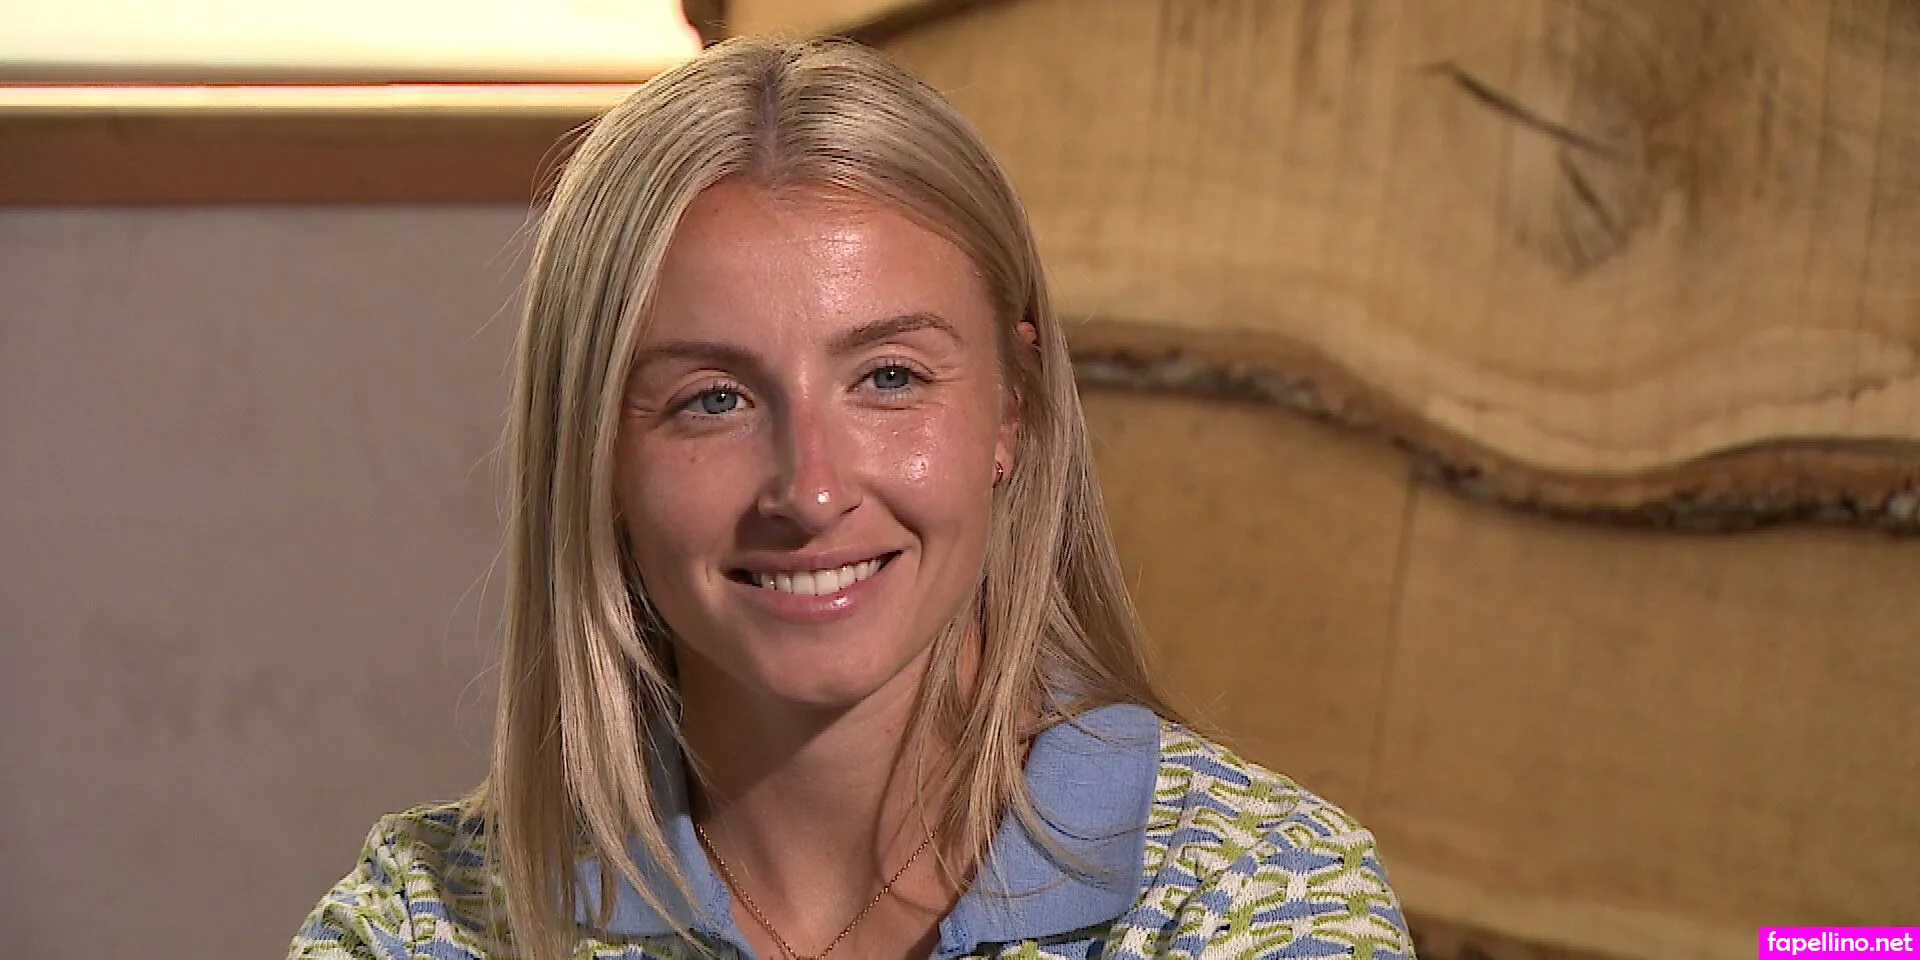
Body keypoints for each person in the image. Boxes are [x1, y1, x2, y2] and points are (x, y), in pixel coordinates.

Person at [289, 36, 1413, 960]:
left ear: (1012, 410)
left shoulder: (1259, 897)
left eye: (889, 379)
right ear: (595, 458)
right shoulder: (427, 921)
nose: (812, 490)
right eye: (714, 398)